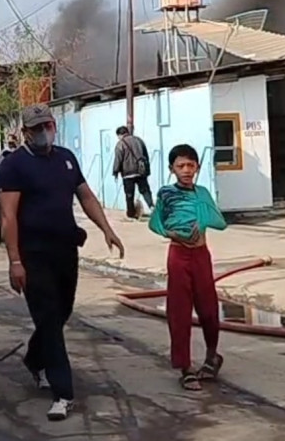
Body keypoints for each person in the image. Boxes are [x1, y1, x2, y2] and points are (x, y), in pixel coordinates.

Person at [0, 104, 125, 422]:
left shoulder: (66, 158)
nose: (44, 132)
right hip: (33, 253)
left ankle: (34, 358)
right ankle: (63, 392)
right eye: (36, 128)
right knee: (50, 320)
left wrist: (107, 229)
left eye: (47, 125)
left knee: (62, 311)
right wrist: (15, 260)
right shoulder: (14, 166)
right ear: (25, 132)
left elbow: (86, 196)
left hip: (65, 249)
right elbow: (8, 215)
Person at [148, 144, 226, 391]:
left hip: (201, 255)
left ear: (198, 167)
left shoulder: (202, 193)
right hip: (178, 256)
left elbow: (220, 222)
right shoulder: (166, 194)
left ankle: (212, 356)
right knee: (179, 311)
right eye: (180, 166)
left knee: (209, 309)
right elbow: (155, 223)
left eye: (190, 165)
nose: (186, 170)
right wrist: (176, 234)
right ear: (171, 169)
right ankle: (185, 367)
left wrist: (201, 219)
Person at [112, 126, 153, 220]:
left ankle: (131, 214)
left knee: (129, 194)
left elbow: (118, 158)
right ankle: (151, 207)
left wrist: (115, 171)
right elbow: (145, 155)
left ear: (119, 135)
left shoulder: (120, 144)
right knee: (145, 190)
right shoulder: (139, 140)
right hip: (140, 171)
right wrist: (147, 170)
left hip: (128, 173)